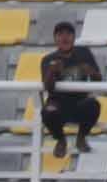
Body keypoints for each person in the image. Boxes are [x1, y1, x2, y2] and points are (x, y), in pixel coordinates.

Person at [41, 21, 103, 159]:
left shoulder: (84, 53)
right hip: (58, 103)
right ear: (55, 38)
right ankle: (60, 139)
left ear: (74, 37)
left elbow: (98, 80)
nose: (65, 37)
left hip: (80, 101)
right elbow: (48, 87)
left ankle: (81, 137)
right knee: (47, 111)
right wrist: (51, 72)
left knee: (93, 105)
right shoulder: (48, 59)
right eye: (60, 34)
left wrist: (91, 72)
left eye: (68, 34)